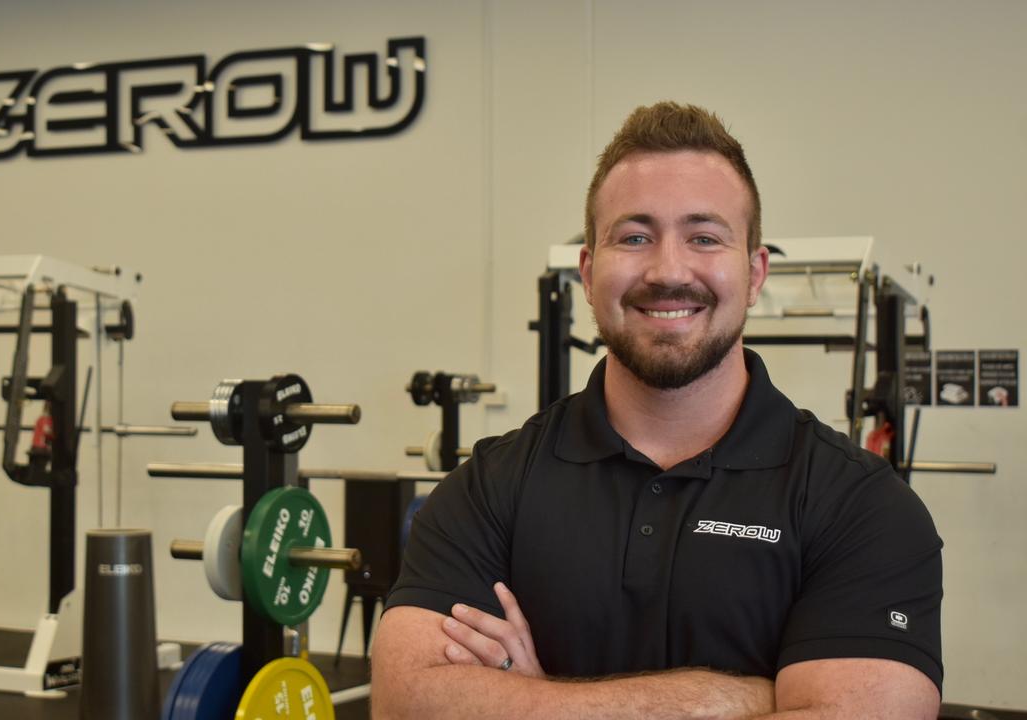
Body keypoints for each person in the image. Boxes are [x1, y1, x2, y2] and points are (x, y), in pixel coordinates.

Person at [371, 102, 943, 719]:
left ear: (753, 273)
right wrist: (744, 699)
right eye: (635, 236)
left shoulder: (861, 504)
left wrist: (532, 699)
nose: (669, 270)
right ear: (589, 273)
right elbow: (407, 702)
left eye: (704, 237)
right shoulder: (489, 486)